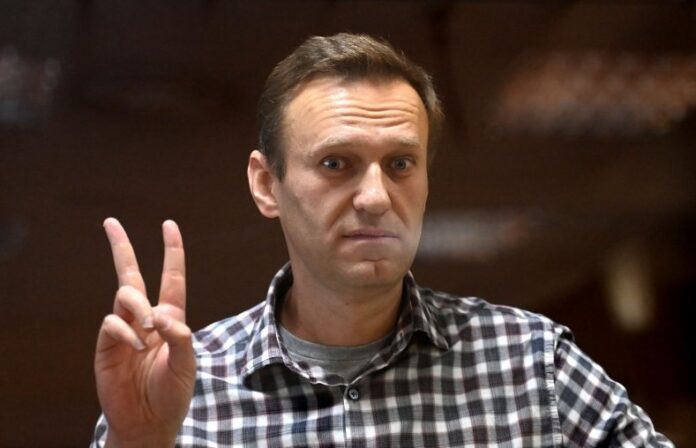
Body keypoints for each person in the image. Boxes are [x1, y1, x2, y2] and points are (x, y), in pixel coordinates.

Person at [91, 33, 673, 447]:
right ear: (267, 185)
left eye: (399, 164)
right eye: (336, 163)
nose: (374, 196)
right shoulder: (183, 389)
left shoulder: (531, 363)